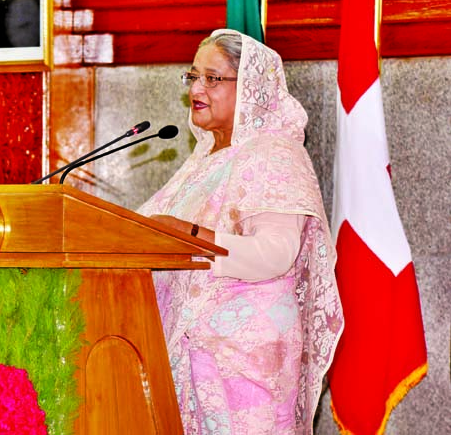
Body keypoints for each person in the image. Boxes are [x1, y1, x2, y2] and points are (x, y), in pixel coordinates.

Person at [138, 29, 344, 434]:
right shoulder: (204, 159)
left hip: (242, 361)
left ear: (250, 85)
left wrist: (190, 234)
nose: (197, 88)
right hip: (188, 355)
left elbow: (275, 253)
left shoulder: (274, 152)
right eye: (193, 76)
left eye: (212, 78)